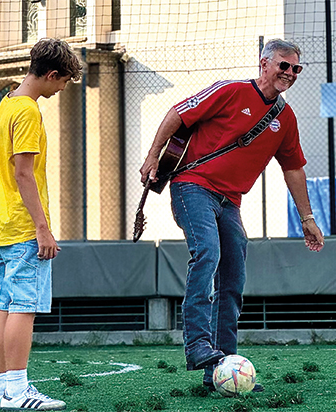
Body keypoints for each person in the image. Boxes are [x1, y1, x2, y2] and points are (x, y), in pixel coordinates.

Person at [139, 38, 324, 391]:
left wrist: (307, 219)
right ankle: (196, 345)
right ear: (264, 64)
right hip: (192, 185)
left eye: (296, 68)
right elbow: (177, 114)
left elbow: (294, 169)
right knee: (208, 252)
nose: (290, 73)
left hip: (230, 201)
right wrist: (152, 157)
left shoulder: (285, 118)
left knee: (234, 276)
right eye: (284, 66)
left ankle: (222, 370)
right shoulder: (231, 91)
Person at [0, 38, 82, 410]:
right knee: (24, 307)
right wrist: (43, 227)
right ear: (52, 74)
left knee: (6, 306)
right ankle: (18, 391)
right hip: (24, 226)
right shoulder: (26, 111)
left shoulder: (6, 104)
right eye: (63, 82)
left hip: (2, 224)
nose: (61, 89)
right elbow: (23, 173)